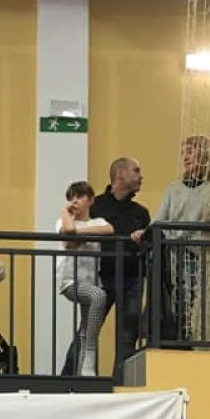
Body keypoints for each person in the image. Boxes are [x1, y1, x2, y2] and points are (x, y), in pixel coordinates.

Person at [61, 157, 149, 375]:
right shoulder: (96, 205)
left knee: (128, 335)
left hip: (132, 277)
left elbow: (146, 243)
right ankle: (69, 379)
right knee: (88, 330)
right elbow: (71, 231)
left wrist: (143, 237)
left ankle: (122, 384)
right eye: (136, 171)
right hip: (102, 276)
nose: (141, 176)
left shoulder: (141, 212)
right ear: (120, 174)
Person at [151, 135, 210, 345]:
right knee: (182, 297)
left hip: (205, 252)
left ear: (204, 154)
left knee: (202, 298)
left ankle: (199, 338)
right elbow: (159, 220)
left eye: (190, 151)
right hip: (177, 253)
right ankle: (183, 338)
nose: (185, 157)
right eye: (183, 153)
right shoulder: (174, 189)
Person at [55, 181, 113, 377]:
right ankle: (90, 354)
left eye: (79, 197)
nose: (75, 201)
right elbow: (68, 234)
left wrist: (78, 233)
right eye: (71, 198)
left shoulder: (98, 222)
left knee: (86, 328)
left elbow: (109, 229)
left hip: (91, 280)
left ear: (91, 200)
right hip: (70, 282)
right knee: (99, 296)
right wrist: (64, 211)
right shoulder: (62, 222)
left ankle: (82, 372)